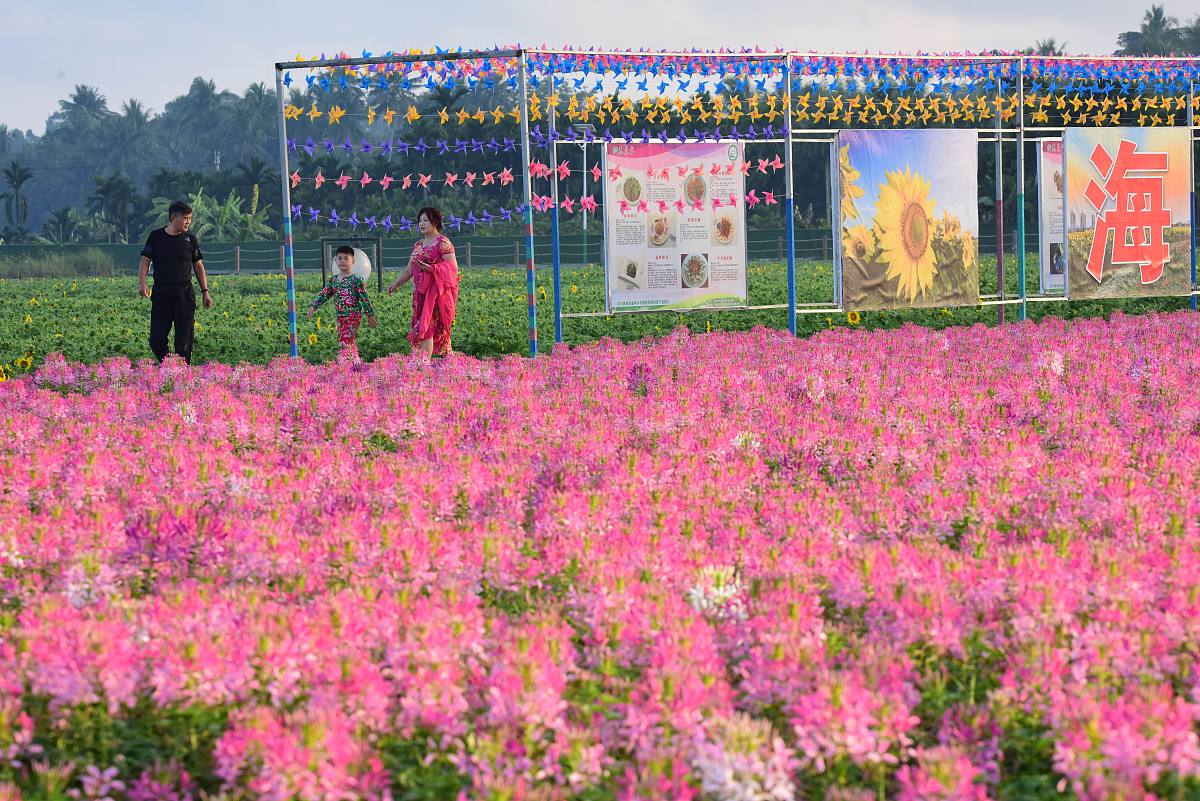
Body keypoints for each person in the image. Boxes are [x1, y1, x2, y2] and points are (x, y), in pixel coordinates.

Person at [138, 200, 212, 363]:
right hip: (161, 293)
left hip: (184, 294)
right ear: (173, 217)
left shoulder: (190, 240)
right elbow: (145, 261)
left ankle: (181, 372)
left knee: (184, 342)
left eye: (190, 218)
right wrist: (142, 283)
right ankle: (170, 365)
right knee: (156, 340)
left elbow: (198, 266)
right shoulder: (156, 237)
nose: (188, 222)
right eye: (185, 218)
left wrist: (205, 291)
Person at [387, 207, 459, 357]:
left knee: (428, 327)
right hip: (420, 294)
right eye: (420, 220)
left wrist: (431, 269)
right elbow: (409, 270)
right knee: (425, 326)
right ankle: (447, 363)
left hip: (436, 294)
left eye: (426, 220)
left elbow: (452, 269)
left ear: (435, 222)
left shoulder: (443, 243)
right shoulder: (418, 245)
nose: (422, 223)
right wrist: (396, 284)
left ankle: (424, 363)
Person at [308, 245, 377, 360]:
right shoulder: (334, 280)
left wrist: (370, 316)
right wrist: (313, 306)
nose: (342, 261)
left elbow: (364, 298)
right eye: (339, 258)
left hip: (353, 317)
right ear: (335, 261)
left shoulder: (356, 280)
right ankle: (355, 363)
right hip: (340, 317)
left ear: (353, 261)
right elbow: (324, 294)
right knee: (347, 341)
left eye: (346, 258)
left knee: (345, 341)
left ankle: (344, 363)